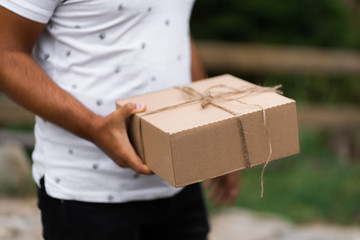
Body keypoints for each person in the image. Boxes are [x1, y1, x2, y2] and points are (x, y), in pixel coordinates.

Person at [0, 1, 240, 239]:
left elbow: (174, 30)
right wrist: (93, 127)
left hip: (178, 179)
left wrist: (213, 137)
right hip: (86, 195)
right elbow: (5, 53)